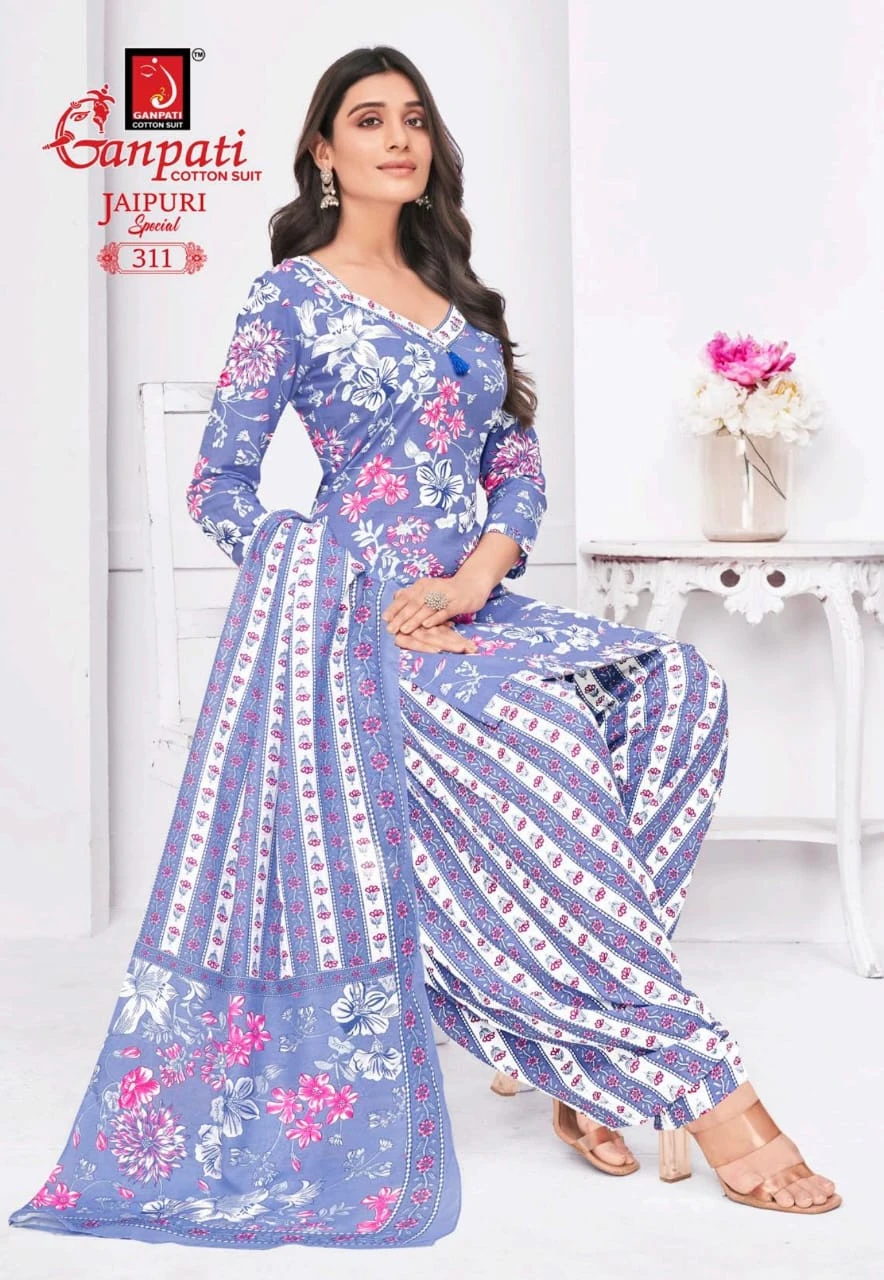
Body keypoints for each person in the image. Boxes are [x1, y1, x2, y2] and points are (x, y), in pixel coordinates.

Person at [7, 46, 838, 1252]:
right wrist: (334, 583)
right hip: (361, 623)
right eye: (367, 119)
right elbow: (218, 482)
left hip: (475, 604)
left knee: (678, 689)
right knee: (544, 732)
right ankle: (707, 1087)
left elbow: (513, 462)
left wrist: (475, 574)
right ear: (322, 151)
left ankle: (575, 1051)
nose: (396, 137)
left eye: (411, 119)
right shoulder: (287, 298)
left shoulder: (461, 298)